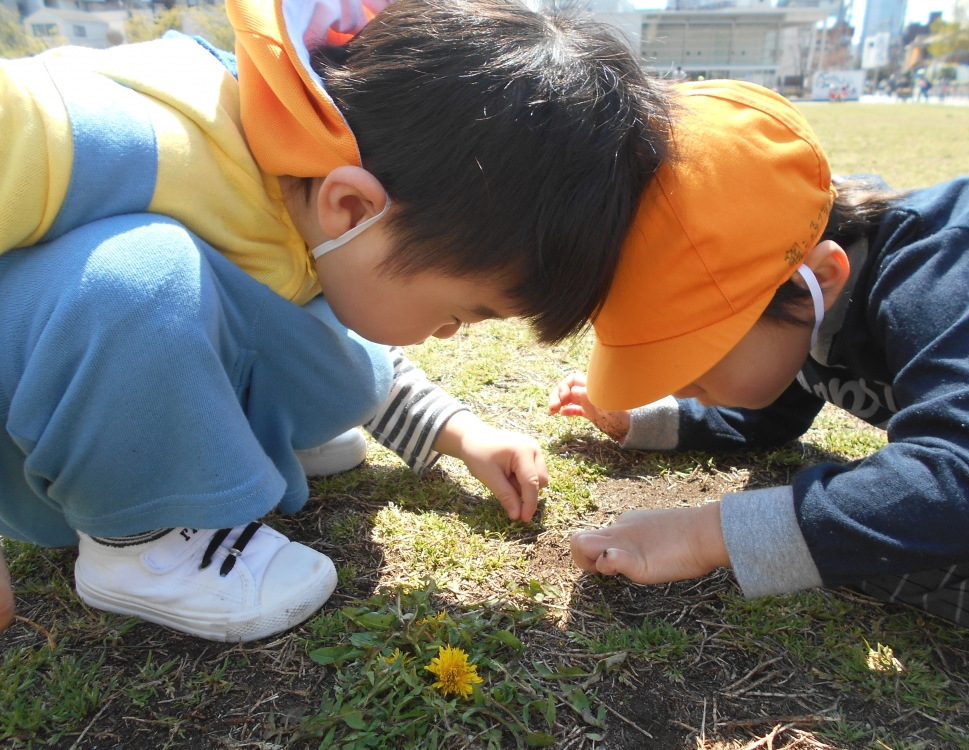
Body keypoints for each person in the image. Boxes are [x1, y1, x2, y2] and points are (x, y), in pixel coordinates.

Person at [0, 0, 666, 641]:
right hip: (32, 447)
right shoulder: (113, 128)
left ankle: (221, 442)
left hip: (118, 382)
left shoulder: (314, 177)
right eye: (457, 314)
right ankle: (141, 546)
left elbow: (346, 329)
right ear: (353, 208)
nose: (447, 334)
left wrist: (457, 433)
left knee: (342, 348)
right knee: (144, 278)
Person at [549, 79, 969, 639]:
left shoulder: (944, 269)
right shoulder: (799, 303)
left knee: (897, 537)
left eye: (698, 350)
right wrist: (646, 417)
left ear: (820, 279)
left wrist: (704, 535)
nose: (678, 378)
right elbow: (769, 416)